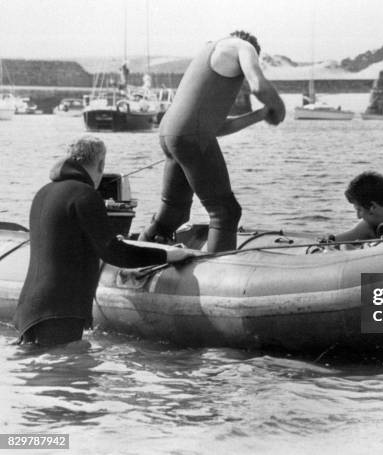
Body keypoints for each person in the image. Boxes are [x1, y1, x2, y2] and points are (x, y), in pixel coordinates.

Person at [14, 136, 197, 347]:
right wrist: (166, 255)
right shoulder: (85, 194)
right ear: (101, 163)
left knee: (41, 370)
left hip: (28, 310)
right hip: (61, 311)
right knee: (68, 374)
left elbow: (63, 241)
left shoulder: (43, 192)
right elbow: (114, 253)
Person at [139, 30, 286, 252]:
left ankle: (138, 254)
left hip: (170, 132)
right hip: (190, 135)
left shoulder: (210, 52)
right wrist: (279, 109)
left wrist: (261, 114)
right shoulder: (243, 47)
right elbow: (259, 85)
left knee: (174, 211)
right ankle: (219, 274)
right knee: (225, 212)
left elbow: (215, 127)